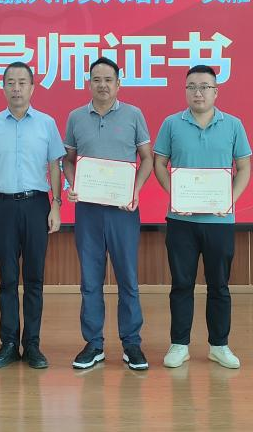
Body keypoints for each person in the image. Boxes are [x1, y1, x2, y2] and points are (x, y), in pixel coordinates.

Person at [152, 64, 251, 370]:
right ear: (185, 91)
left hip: (220, 222)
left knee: (219, 285)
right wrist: (174, 194)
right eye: (192, 86)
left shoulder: (233, 125)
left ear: (215, 91)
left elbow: (244, 168)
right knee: (181, 284)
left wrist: (229, 199)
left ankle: (219, 346)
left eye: (205, 87)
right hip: (181, 221)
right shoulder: (171, 124)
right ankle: (179, 345)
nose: (198, 92)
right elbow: (159, 163)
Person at [62, 57, 153, 371]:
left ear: (118, 83)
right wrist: (73, 184)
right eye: (96, 79)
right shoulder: (76, 117)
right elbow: (68, 160)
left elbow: (146, 158)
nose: (102, 85)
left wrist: (135, 190)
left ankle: (132, 344)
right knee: (90, 280)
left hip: (122, 211)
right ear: (89, 83)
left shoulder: (133, 115)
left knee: (128, 278)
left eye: (108, 79)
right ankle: (94, 344)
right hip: (88, 210)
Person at [0, 61, 65, 369]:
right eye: (10, 83)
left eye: (22, 82)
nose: (16, 88)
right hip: (3, 206)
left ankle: (33, 344)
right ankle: (9, 344)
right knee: (8, 278)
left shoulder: (47, 123)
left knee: (35, 278)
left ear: (32, 87)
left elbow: (55, 166)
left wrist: (56, 205)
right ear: (3, 88)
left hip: (37, 204)